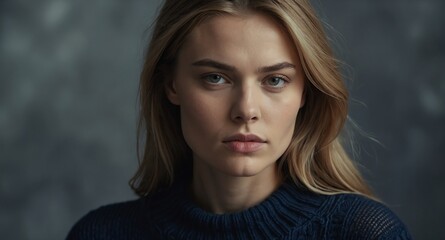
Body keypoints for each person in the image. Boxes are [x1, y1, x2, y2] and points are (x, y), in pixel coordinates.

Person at [67, 0, 412, 239]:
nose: (246, 110)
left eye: (274, 80)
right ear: (171, 84)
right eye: (216, 78)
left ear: (305, 92)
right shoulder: (102, 234)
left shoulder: (363, 233)